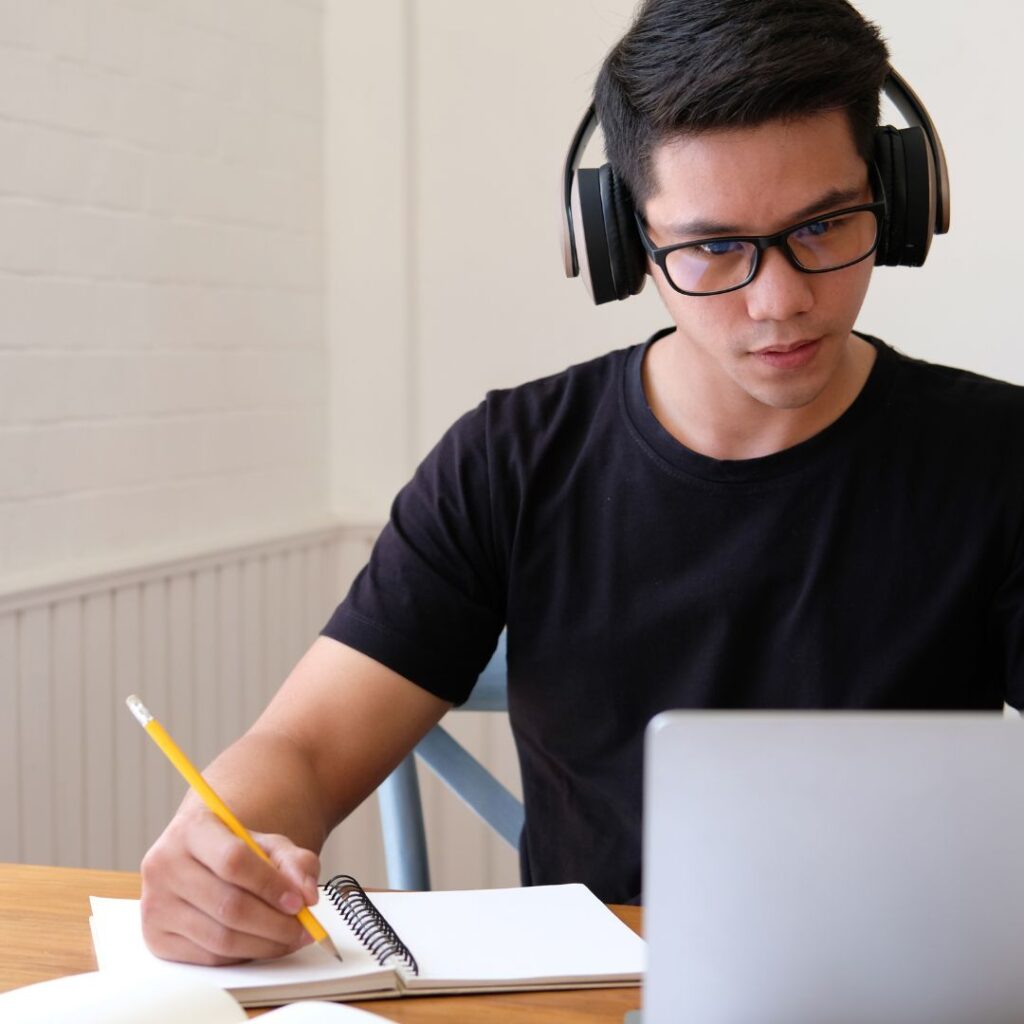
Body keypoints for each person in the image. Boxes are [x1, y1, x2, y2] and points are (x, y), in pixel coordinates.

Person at [139, 0, 1024, 966]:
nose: (780, 299)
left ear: (893, 200)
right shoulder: (510, 459)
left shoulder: (1001, 455)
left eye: (822, 225)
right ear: (621, 242)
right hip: (594, 996)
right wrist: (213, 852)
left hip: (915, 983)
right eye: (712, 246)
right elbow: (302, 751)